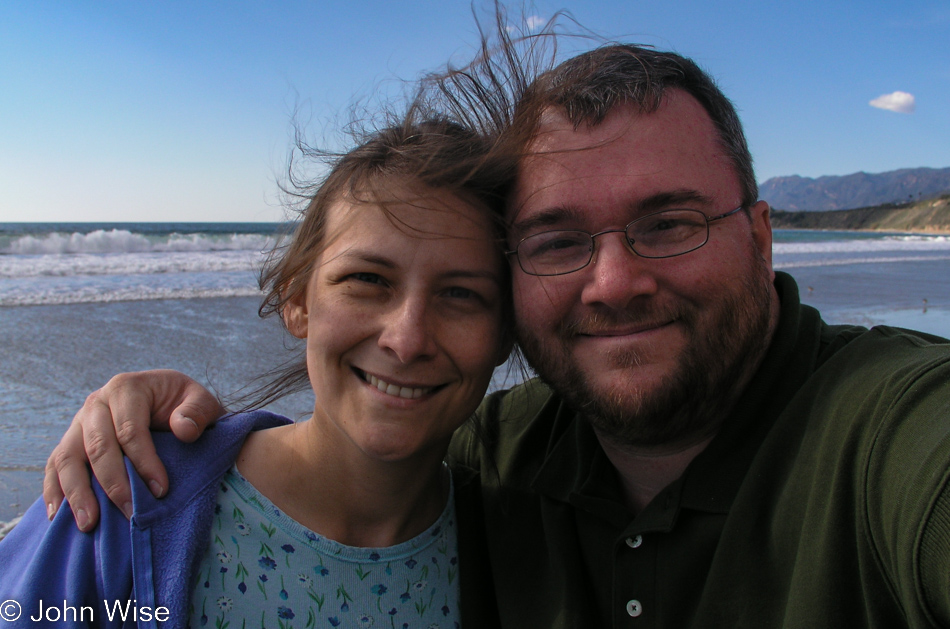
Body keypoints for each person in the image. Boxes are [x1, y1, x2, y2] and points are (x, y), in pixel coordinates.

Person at [41, 43, 950, 628]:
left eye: (669, 223)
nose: (615, 279)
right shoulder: (495, 459)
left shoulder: (885, 431)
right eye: (558, 241)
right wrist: (154, 426)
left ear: (759, 237)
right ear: (297, 296)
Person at [0, 118, 515, 628]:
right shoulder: (128, 492)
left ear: (507, 333)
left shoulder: (514, 543)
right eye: (367, 279)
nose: (406, 340)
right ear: (296, 300)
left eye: (461, 294)